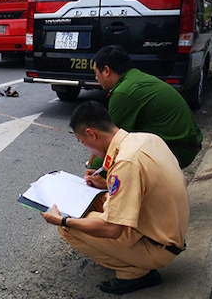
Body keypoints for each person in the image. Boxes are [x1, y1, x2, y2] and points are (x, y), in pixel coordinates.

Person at [41, 101, 189, 295]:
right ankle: (130, 257)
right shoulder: (146, 139)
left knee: (67, 226)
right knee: (94, 200)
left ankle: (134, 271)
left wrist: (62, 220)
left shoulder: (125, 162)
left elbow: (112, 229)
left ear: (91, 134)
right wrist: (105, 185)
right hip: (166, 229)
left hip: (158, 247)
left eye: (83, 142)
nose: (86, 148)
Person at [89, 45, 202, 170]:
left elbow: (112, 140)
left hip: (178, 149)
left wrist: (94, 171)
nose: (96, 78)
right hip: (187, 143)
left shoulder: (124, 92)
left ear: (106, 70)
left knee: (124, 159)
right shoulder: (135, 77)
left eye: (96, 73)